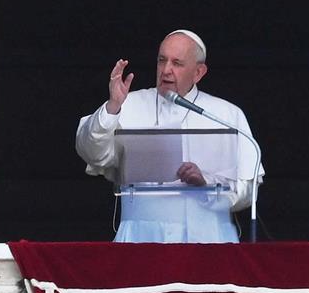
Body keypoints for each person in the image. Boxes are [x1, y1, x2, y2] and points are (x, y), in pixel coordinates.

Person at [76, 29, 264, 243]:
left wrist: (207, 184)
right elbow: (92, 154)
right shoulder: (127, 104)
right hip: (142, 239)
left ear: (198, 72)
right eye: (162, 60)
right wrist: (112, 107)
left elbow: (248, 190)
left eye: (177, 63)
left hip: (210, 239)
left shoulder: (227, 114)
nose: (166, 70)